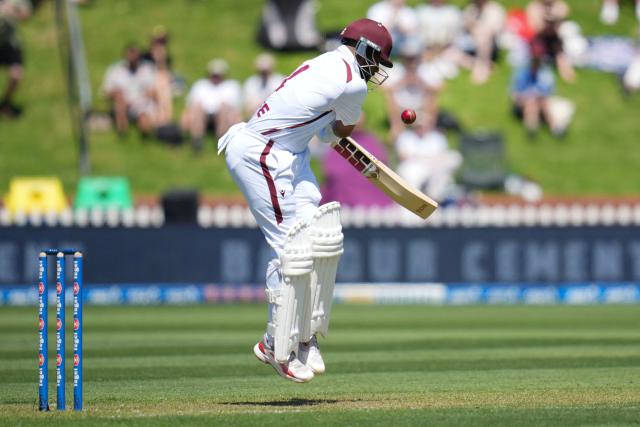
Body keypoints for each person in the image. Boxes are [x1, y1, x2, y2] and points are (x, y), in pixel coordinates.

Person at [217, 18, 394, 382]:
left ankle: (305, 335)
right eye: (378, 61)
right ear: (365, 51)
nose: (377, 70)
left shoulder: (324, 61)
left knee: (320, 241)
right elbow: (340, 132)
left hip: (292, 155)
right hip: (261, 155)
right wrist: (333, 127)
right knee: (289, 249)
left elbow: (324, 127)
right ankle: (276, 344)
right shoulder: (352, 83)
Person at [321, 113, 393, 207]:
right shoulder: (339, 143)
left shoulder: (372, 143)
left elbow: (382, 170)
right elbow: (331, 171)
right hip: (343, 203)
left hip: (374, 207)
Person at [395, 110, 462, 201]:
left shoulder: (437, 137)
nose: (422, 128)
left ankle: (434, 197)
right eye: (419, 126)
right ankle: (413, 199)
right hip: (414, 166)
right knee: (411, 174)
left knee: (453, 159)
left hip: (433, 166)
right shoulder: (406, 137)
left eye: (424, 125)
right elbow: (402, 156)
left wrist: (430, 160)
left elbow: (443, 157)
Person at [181, 58, 242, 152]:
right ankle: (197, 140)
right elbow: (190, 106)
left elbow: (236, 110)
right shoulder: (200, 85)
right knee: (198, 107)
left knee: (223, 107)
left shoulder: (231, 86)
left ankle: (221, 139)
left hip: (223, 116)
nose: (216, 77)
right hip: (203, 115)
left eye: (218, 75)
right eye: (214, 74)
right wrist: (184, 121)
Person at [102, 43, 157, 136]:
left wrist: (136, 100)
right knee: (120, 100)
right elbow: (106, 91)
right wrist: (118, 95)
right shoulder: (115, 70)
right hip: (122, 102)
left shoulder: (146, 70)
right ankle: (122, 131)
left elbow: (152, 91)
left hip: (141, 103)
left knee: (143, 117)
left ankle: (146, 134)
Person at [0, 0, 31, 117]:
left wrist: (13, 11)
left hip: (9, 44)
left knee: (16, 74)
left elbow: (25, 15)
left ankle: (5, 103)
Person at [242, 53, 284, 119]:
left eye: (266, 71)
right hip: (255, 116)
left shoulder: (279, 81)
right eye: (262, 71)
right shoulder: (251, 82)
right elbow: (248, 105)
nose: (264, 73)